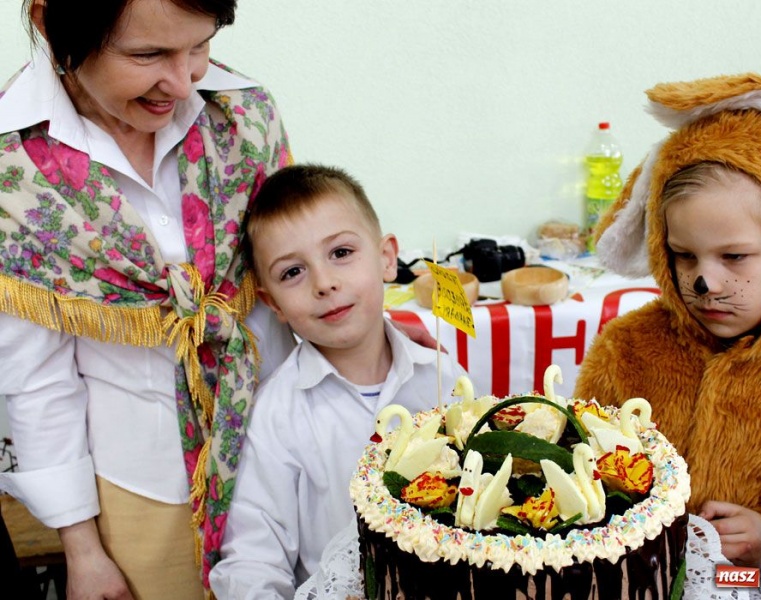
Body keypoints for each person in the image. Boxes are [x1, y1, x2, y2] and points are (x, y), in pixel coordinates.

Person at [0, 1, 296, 597]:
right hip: (139, 490)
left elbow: (295, 263)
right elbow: (36, 379)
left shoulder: (242, 115)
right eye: (147, 55)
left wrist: (370, 336)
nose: (183, 82)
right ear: (51, 23)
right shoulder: (15, 172)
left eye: (199, 46)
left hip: (286, 453)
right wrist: (81, 550)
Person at [574, 73, 761, 567]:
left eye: (735, 256)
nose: (705, 283)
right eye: (684, 256)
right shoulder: (626, 349)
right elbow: (576, 454)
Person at [208, 164, 468, 599]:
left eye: (341, 253)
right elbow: (253, 560)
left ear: (387, 258)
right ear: (272, 301)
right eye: (293, 272)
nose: (325, 283)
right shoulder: (276, 414)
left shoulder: (444, 380)